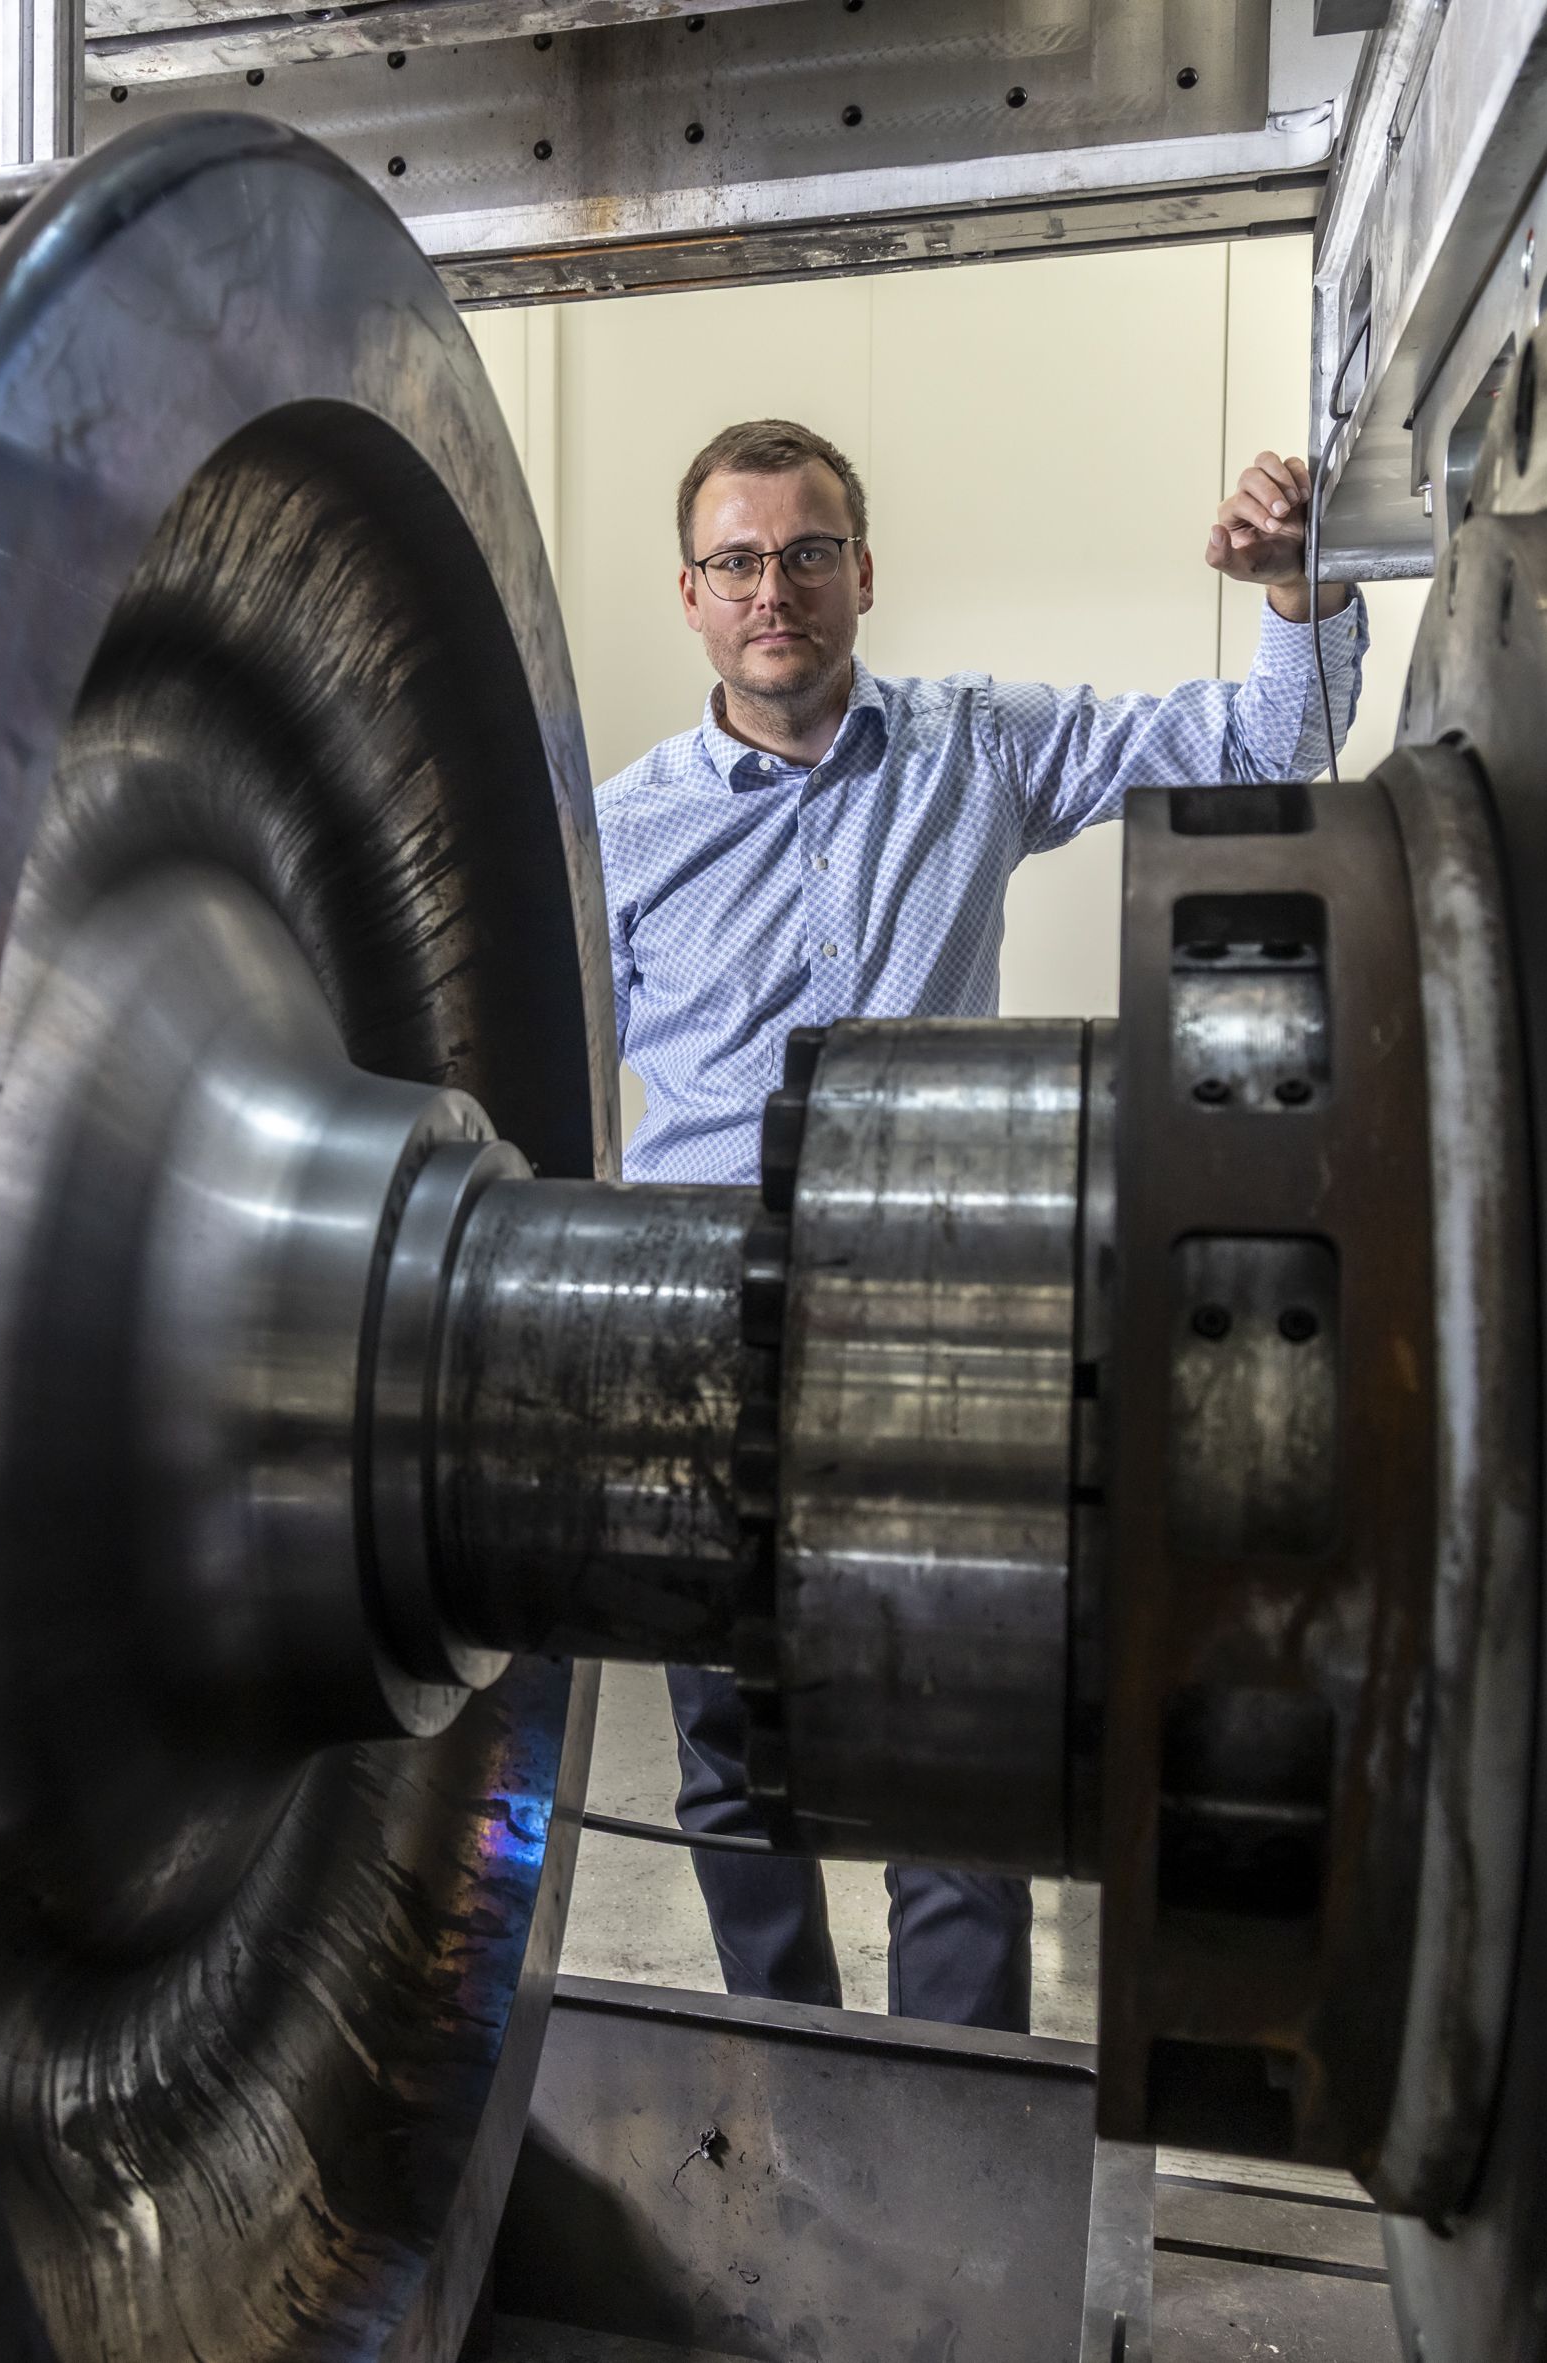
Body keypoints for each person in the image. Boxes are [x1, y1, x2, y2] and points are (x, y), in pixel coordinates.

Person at [599, 418, 1363, 2028]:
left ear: (862, 572)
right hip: (696, 1329)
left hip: (930, 1322)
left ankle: (959, 2097)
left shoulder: (977, 747)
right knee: (733, 1760)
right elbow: (518, 1054)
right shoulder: (621, 830)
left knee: (961, 1738)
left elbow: (1245, 751)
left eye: (808, 552)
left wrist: (1296, 599)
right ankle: (787, 2059)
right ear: (690, 596)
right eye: (738, 560)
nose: (775, 590)